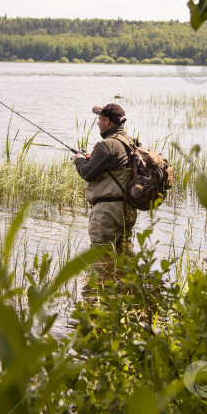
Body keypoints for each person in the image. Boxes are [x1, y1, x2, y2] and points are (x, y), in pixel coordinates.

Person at [72, 103, 137, 295]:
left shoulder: (106, 144)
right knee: (122, 254)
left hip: (107, 212)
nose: (98, 123)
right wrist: (93, 158)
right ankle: (120, 298)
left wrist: (79, 160)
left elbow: (88, 173)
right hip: (127, 209)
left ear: (107, 121)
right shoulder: (130, 141)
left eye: (99, 119)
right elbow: (116, 165)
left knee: (100, 258)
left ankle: (96, 302)